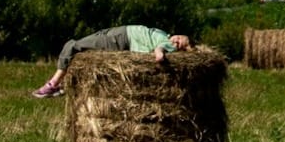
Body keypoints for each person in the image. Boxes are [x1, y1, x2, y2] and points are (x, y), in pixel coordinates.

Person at [34, 25, 191, 98]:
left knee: (73, 46)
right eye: (178, 38)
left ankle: (53, 85)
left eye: (179, 45)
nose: (175, 42)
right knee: (82, 47)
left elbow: (159, 53)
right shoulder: (165, 35)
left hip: (120, 40)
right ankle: (64, 84)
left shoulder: (167, 44)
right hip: (119, 34)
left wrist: (160, 54)